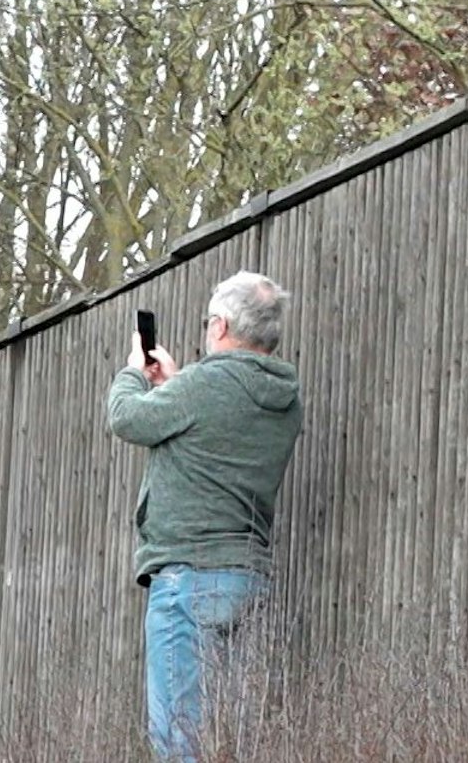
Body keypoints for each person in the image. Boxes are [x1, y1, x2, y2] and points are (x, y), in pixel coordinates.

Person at [107, 271, 304, 761]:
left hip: (187, 581)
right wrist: (175, 385)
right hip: (248, 583)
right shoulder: (286, 400)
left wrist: (135, 371)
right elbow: (220, 428)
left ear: (219, 326)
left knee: (178, 741)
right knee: (232, 742)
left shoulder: (203, 384)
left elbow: (127, 418)